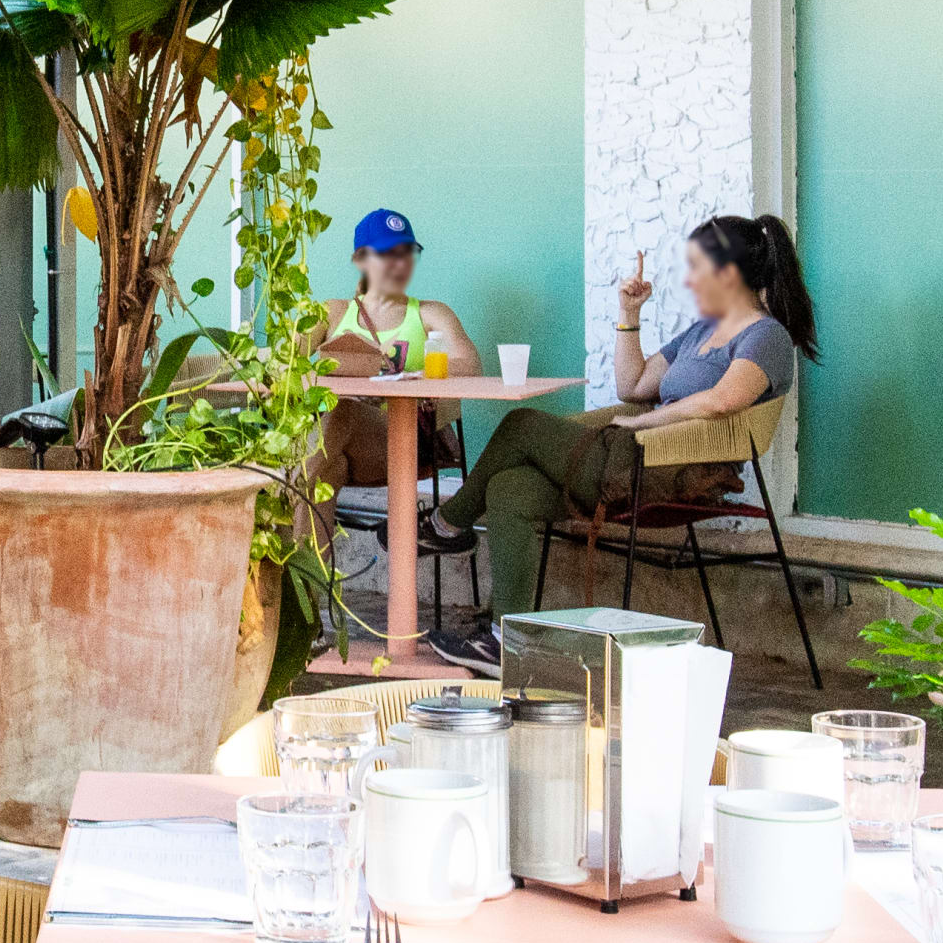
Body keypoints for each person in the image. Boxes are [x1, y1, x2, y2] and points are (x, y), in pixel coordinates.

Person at [428, 213, 816, 662]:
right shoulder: (702, 332)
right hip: (632, 460)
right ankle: (505, 642)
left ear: (727, 274)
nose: (687, 279)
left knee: (521, 424)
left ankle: (445, 524)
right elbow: (632, 387)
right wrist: (628, 315)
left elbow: (722, 401)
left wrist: (640, 424)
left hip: (674, 471)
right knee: (508, 488)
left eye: (696, 267)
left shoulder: (765, 335)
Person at [313, 207, 481, 488]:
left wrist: (409, 377)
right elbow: (284, 364)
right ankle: (300, 518)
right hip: (331, 441)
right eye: (387, 253)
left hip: (399, 441)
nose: (399, 263)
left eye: (406, 252)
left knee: (340, 413)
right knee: (328, 471)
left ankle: (284, 487)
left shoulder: (430, 314)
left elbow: (472, 366)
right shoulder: (332, 313)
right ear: (360, 259)